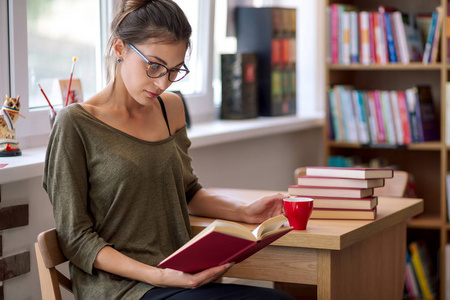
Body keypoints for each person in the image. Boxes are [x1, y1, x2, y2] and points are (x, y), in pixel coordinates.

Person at [43, 0, 294, 299]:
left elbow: (187, 192)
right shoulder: (75, 124)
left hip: (181, 276)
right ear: (120, 49)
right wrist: (159, 276)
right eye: (154, 66)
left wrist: (245, 212)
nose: (163, 82)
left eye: (174, 70)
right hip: (122, 289)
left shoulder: (170, 108)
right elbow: (75, 238)